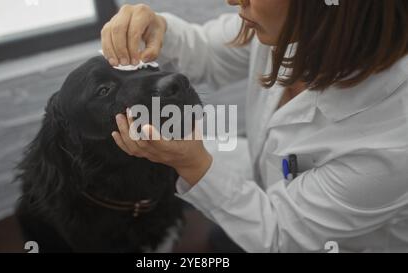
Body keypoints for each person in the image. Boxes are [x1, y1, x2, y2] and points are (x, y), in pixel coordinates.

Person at [100, 0, 408, 252]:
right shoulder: (297, 23)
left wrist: (192, 163)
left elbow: (278, 236)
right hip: (262, 203)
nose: (232, 1)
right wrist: (159, 30)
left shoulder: (393, 140)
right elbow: (209, 50)